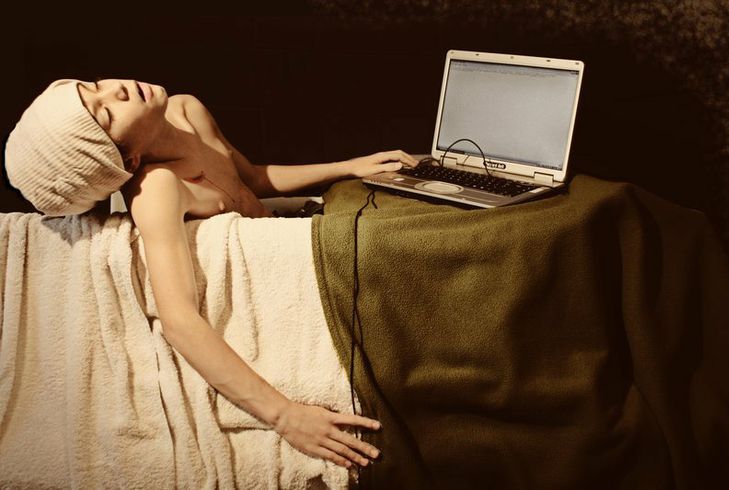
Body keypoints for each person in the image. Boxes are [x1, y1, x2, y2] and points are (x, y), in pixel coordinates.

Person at [4, 78, 419, 470]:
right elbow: (178, 320)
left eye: (94, 87)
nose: (117, 90)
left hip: (294, 223)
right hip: (292, 278)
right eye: (107, 114)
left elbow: (251, 179)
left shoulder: (187, 110)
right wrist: (285, 416)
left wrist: (350, 166)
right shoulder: (157, 189)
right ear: (128, 159)